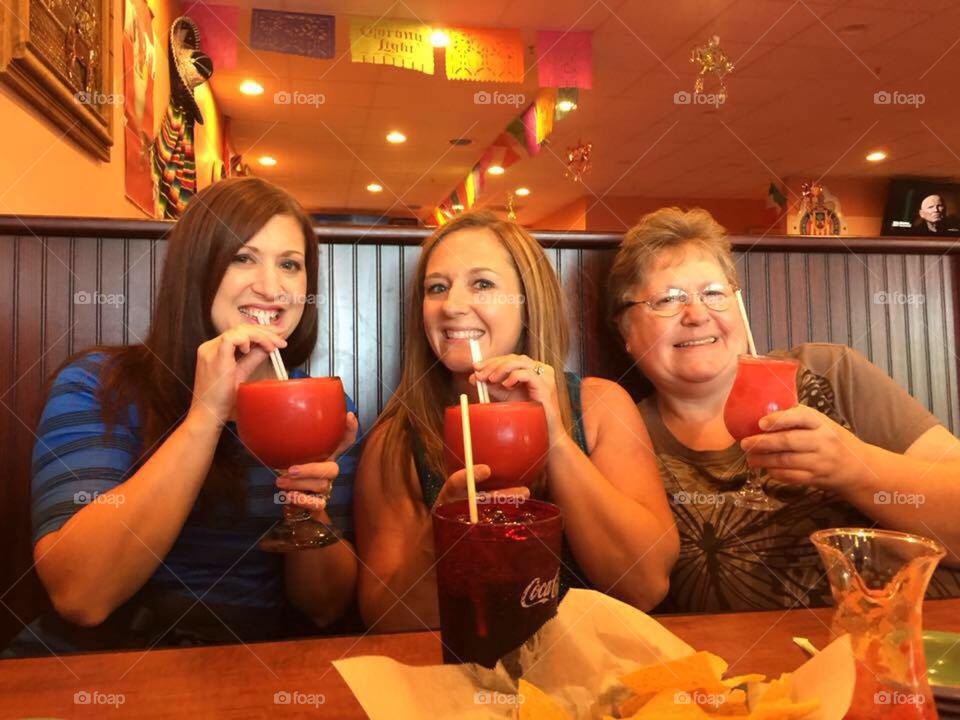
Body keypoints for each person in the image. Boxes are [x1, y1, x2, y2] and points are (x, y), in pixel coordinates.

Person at [3, 177, 360, 657]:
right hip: (100, 657)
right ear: (196, 269)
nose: (272, 287)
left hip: (245, 664)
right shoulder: (100, 384)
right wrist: (205, 416)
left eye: (290, 265)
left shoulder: (322, 405)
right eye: (242, 257)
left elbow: (324, 608)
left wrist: (305, 506)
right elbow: (82, 596)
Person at [607, 206, 960, 613]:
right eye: (667, 299)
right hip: (756, 670)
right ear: (626, 333)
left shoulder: (829, 373)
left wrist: (857, 467)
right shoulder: (626, 435)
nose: (698, 314)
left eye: (714, 293)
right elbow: (636, 586)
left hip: (919, 645)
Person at [354, 211, 678, 632]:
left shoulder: (600, 406)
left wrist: (556, 438)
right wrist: (446, 536)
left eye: (483, 284)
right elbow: (389, 620)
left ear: (528, 303)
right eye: (437, 288)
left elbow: (644, 584)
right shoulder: (397, 441)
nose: (451, 306)